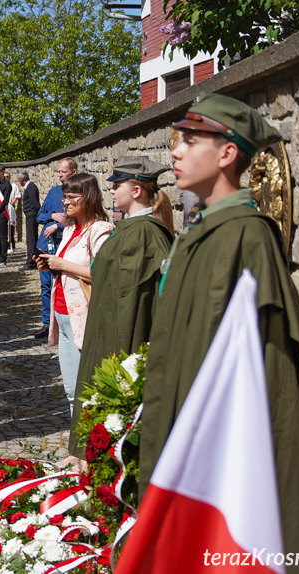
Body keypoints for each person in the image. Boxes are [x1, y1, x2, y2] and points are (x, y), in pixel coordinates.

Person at [141, 92, 299, 563]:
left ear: (227, 153)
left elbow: (274, 369)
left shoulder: (247, 235)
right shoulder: (199, 231)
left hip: (217, 462)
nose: (176, 151)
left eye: (192, 140)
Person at [67, 156, 174, 458]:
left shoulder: (143, 233)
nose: (111, 191)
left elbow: (131, 300)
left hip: (120, 334)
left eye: (117, 185)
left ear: (137, 190)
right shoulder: (131, 228)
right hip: (106, 324)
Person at [35, 173, 113, 417]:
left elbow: (101, 273)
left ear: (87, 197)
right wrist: (50, 264)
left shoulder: (100, 230)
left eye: (71, 197)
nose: (65, 203)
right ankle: (76, 447)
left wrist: (61, 264)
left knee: (86, 387)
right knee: (70, 388)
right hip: (62, 313)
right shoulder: (70, 228)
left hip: (83, 316)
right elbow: (66, 265)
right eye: (64, 197)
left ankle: (87, 448)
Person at [34, 158, 77, 339]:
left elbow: (79, 219)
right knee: (45, 286)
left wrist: (58, 226)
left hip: (65, 247)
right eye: (59, 172)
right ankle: (47, 323)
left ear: (73, 172)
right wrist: (52, 216)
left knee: (65, 285)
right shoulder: (53, 192)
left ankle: (66, 322)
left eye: (64, 172)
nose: (60, 175)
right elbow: (39, 216)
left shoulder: (78, 193)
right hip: (47, 247)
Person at [19, 172, 40, 271]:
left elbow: (35, 202)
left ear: (21, 180)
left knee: (31, 238)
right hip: (30, 215)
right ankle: (32, 259)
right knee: (30, 238)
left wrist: (36, 213)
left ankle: (31, 261)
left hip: (32, 215)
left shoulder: (30, 187)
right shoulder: (29, 187)